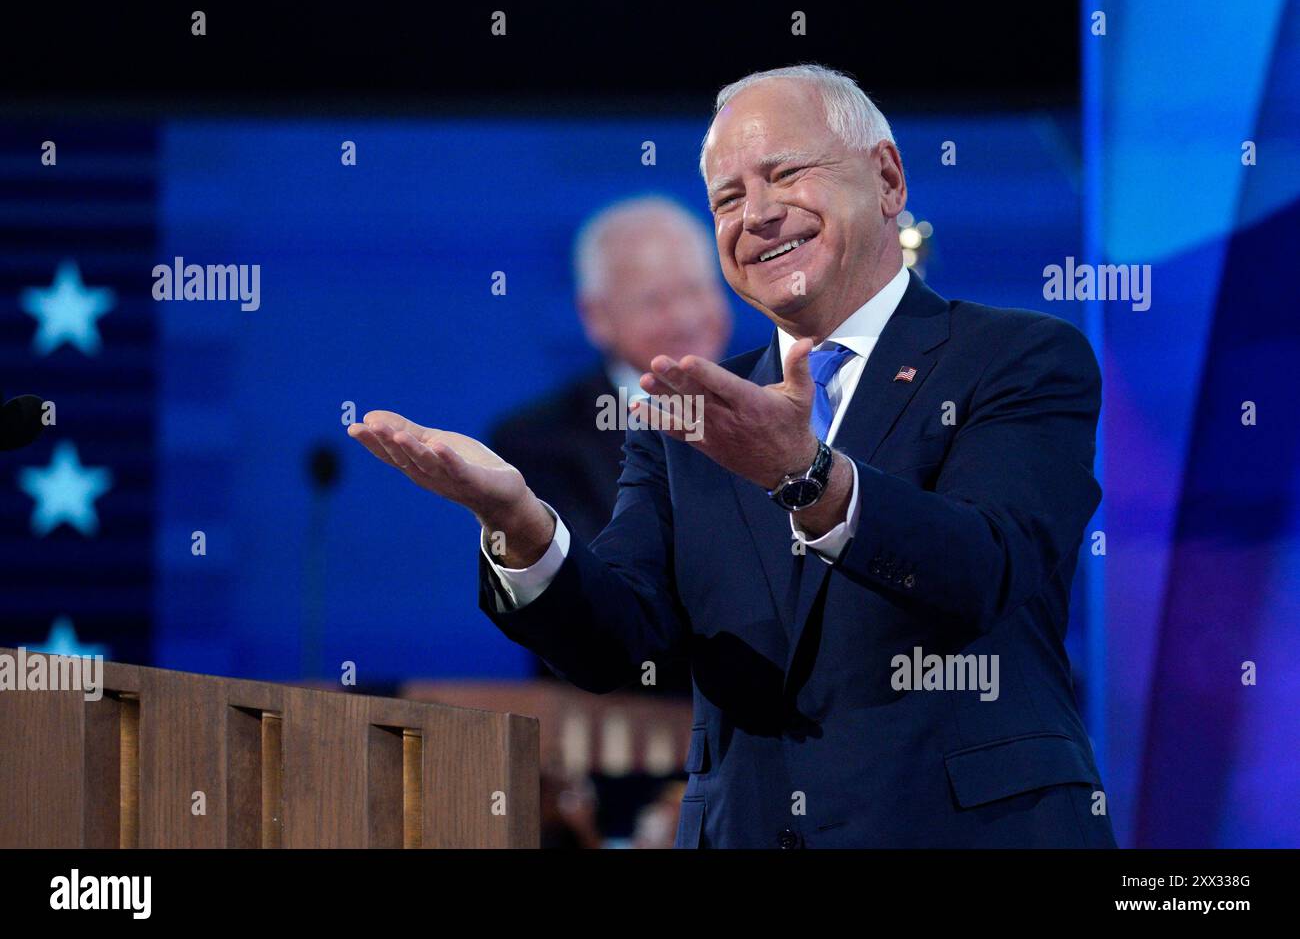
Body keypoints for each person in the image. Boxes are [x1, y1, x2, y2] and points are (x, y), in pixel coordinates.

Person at [349, 64, 1116, 848]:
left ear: (887, 178)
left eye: (785, 174)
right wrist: (520, 524)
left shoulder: (1019, 358)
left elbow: (985, 567)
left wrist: (809, 477)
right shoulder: (689, 417)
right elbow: (616, 641)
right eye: (726, 198)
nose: (759, 215)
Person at [489, 196, 730, 545]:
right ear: (595, 315)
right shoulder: (539, 442)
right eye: (654, 301)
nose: (684, 318)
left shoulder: (775, 404)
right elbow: (584, 580)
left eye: (695, 290)